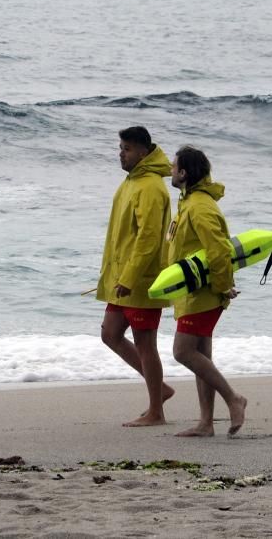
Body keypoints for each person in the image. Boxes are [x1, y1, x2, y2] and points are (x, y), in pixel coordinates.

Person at [97, 126, 175, 427]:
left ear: (143, 151)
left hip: (141, 280)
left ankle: (156, 411)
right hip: (123, 278)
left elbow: (148, 239)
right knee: (110, 334)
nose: (121, 153)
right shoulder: (130, 182)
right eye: (120, 147)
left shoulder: (151, 187)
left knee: (145, 342)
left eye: (127, 148)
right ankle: (161, 390)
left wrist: (130, 277)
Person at [167, 145, 247, 436]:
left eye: (174, 167)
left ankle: (233, 398)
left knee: (182, 351)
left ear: (185, 173)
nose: (170, 171)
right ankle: (206, 423)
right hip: (194, 292)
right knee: (201, 355)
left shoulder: (199, 206)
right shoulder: (188, 201)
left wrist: (224, 287)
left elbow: (217, 251)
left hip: (204, 292)